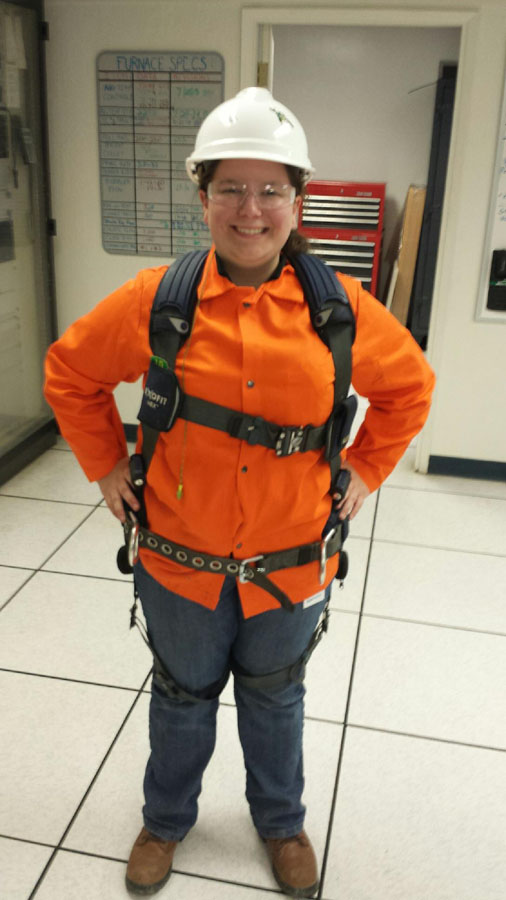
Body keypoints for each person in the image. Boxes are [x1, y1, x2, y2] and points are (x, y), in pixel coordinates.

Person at [44, 87, 435, 898]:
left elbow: (411, 388)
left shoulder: (338, 310)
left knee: (276, 699)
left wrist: (363, 470)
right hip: (180, 562)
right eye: (230, 187)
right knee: (182, 699)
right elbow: (70, 373)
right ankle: (165, 820)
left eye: (270, 190)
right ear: (203, 195)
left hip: (291, 567)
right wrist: (105, 467)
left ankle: (281, 823)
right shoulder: (159, 302)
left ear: (298, 199)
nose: (249, 209)